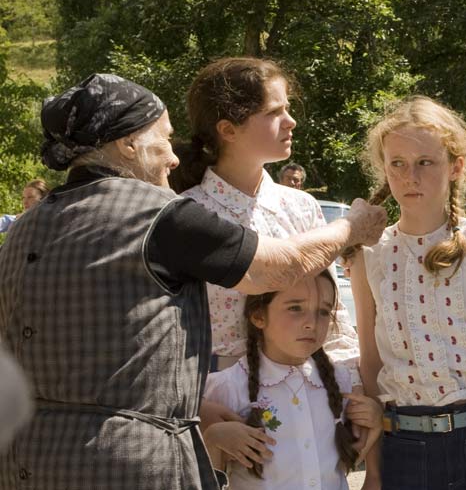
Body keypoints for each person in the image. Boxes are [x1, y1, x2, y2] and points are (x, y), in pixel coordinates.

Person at [0, 73, 386, 490]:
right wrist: (353, 226)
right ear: (128, 145)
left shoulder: (26, 228)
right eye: (164, 139)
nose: (175, 158)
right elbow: (278, 268)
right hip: (129, 463)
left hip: (28, 461)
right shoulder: (157, 214)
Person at [350, 96, 466, 490]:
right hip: (401, 447)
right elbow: (371, 365)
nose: (410, 176)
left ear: (455, 166)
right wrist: (374, 471)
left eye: (425, 162)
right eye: (397, 164)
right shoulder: (370, 253)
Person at [175, 57, 359, 377]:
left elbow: (333, 318)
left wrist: (350, 388)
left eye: (287, 109)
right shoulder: (186, 214)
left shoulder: (302, 207)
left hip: (306, 396)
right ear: (228, 130)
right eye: (274, 112)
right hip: (218, 403)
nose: (290, 121)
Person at [202, 269, 382, 489]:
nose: (311, 323)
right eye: (295, 308)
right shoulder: (226, 387)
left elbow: (346, 457)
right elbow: (204, 472)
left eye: (323, 311)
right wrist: (213, 438)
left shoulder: (341, 382)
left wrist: (375, 420)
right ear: (258, 315)